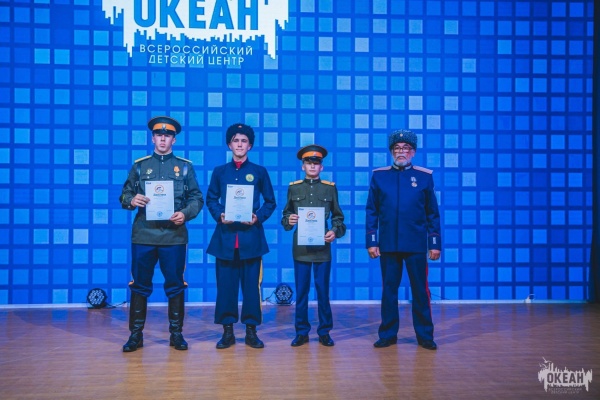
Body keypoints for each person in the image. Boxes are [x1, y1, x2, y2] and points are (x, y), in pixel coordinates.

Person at [119, 116, 204, 352]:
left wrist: (185, 214)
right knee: (139, 285)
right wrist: (131, 200)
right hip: (144, 236)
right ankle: (135, 335)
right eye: (159, 135)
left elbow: (197, 198)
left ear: (174, 140)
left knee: (175, 285)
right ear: (153, 138)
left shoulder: (185, 167)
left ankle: (176, 334)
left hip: (173, 236)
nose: (163, 139)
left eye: (167, 135)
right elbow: (124, 194)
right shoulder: (140, 166)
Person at [365, 129, 442, 350]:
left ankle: (425, 336)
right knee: (389, 290)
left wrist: (434, 243)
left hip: (416, 244)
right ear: (391, 151)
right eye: (397, 148)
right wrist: (372, 241)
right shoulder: (379, 176)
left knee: (420, 291)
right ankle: (388, 334)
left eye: (406, 148)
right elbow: (371, 211)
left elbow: (432, 213)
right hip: (388, 245)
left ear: (413, 152)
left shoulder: (424, 177)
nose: (401, 152)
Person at [206, 123, 277, 349]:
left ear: (250, 146)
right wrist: (220, 215)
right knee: (225, 288)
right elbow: (211, 199)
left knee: (251, 289)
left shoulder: (259, 171)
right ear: (229, 144)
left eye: (244, 141)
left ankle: (251, 331)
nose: (239, 144)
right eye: (235, 141)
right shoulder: (219, 171)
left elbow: (270, 202)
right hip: (225, 238)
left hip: (251, 239)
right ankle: (227, 332)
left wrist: (258, 217)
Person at [281, 145, 346, 347]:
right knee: (301, 292)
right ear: (302, 166)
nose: (312, 166)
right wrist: (289, 220)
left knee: (322, 292)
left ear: (321, 167)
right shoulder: (294, 188)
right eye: (308, 163)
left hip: (322, 248)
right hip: (301, 249)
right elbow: (285, 215)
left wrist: (334, 231)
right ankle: (301, 332)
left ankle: (324, 332)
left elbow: (338, 217)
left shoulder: (329, 188)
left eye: (316, 163)